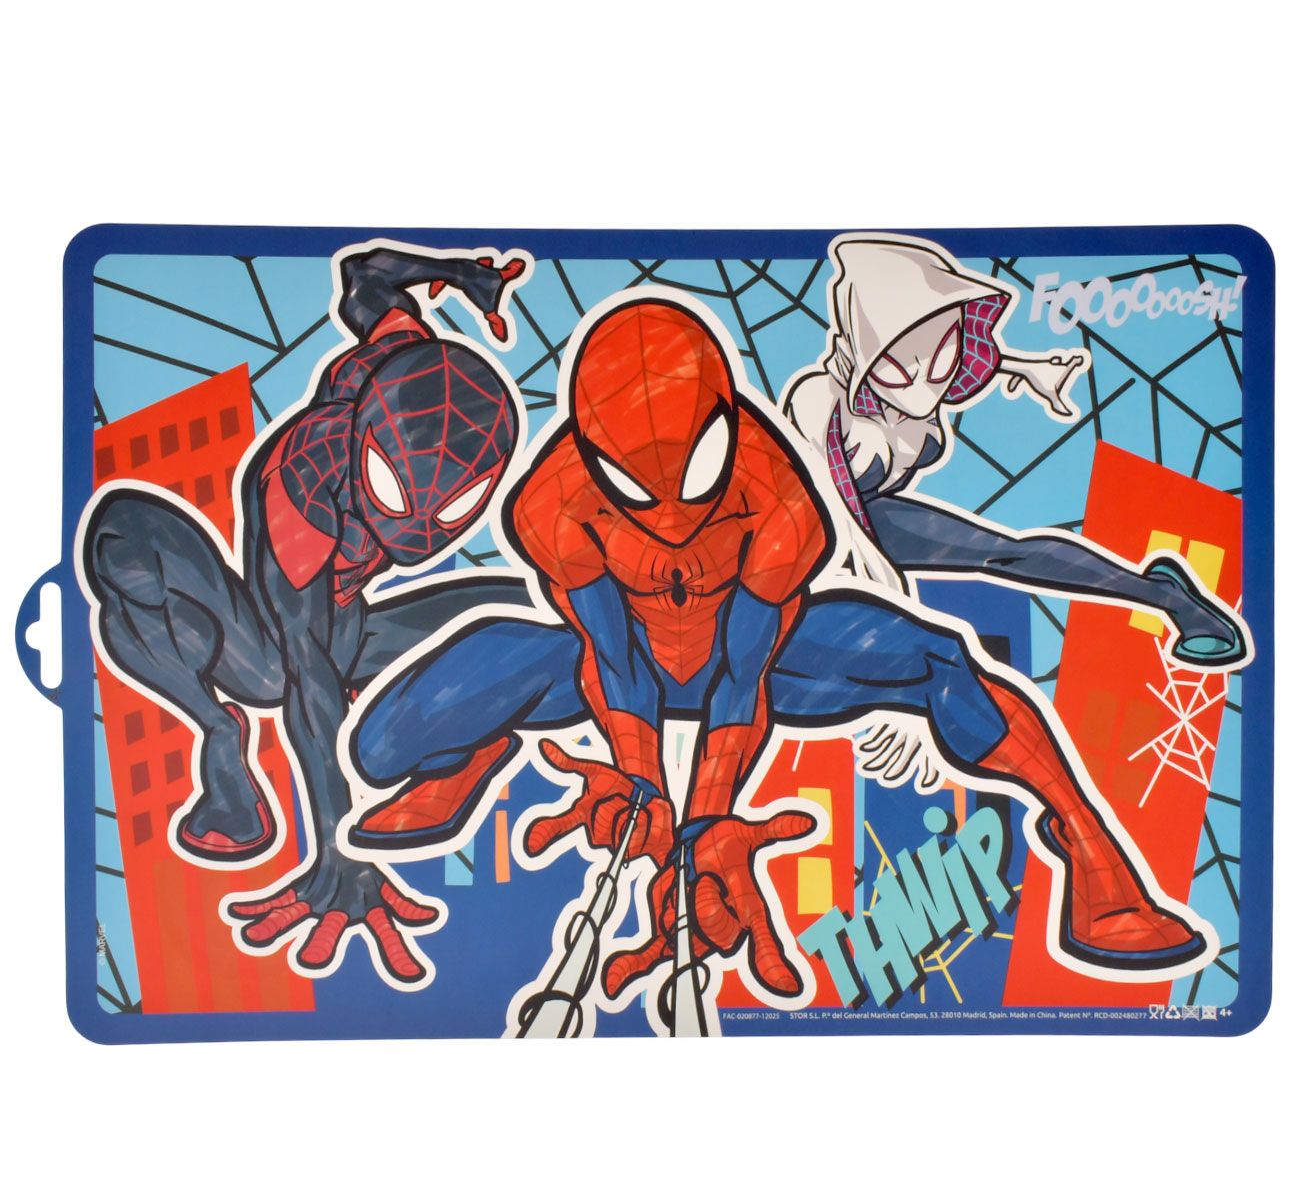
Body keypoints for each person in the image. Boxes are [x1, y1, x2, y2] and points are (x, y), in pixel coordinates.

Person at [348, 297, 1210, 1004]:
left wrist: (707, 823)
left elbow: (744, 672)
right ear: (591, 451)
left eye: (695, 473)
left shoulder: (778, 496)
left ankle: (1100, 869)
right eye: (635, 486)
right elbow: (609, 660)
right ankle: (469, 757)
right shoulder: (550, 502)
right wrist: (642, 784)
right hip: (616, 661)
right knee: (380, 747)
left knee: (943, 661)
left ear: (726, 420)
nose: (671, 516)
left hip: (768, 658)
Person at [80, 243, 531, 983]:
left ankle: (463, 743)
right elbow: (308, 685)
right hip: (261, 640)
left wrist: (459, 275)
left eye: (455, 510)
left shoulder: (403, 353)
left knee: (532, 605)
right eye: (393, 492)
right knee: (121, 534)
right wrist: (342, 855)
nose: (421, 533)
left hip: (355, 625)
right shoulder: (301, 488)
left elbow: (365, 275)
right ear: (364, 443)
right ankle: (220, 734)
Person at [783, 233, 1249, 668]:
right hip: (812, 539)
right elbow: (816, 499)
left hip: (874, 524)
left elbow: (958, 357)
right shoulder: (818, 402)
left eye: (945, 357)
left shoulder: (919, 375)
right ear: (859, 355)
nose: (926, 381)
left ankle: (1167, 595)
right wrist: (874, 588)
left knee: (1009, 552)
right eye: (897, 368)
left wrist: (1029, 368)